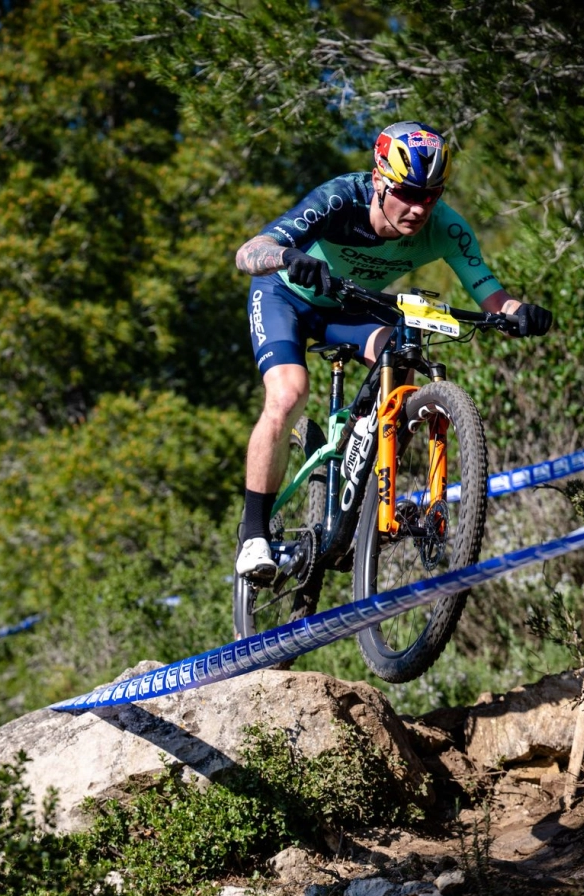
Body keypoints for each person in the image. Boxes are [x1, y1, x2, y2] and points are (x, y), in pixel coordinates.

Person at [232, 120, 554, 582]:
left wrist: (522, 314)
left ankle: (361, 473)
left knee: (402, 359)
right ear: (380, 178)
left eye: (431, 194)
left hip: (349, 306)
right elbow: (250, 252)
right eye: (408, 192)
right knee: (288, 394)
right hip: (285, 295)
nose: (420, 207)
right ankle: (254, 533)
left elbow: (495, 300)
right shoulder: (341, 198)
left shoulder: (446, 228)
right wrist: (287, 257)